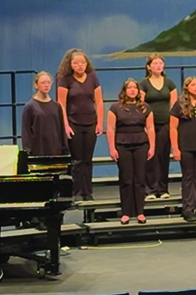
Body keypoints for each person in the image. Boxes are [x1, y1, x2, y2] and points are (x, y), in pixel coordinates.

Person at [56, 49, 103, 202]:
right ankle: (77, 192)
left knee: (87, 160)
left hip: (90, 123)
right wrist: (66, 125)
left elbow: (99, 102)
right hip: (73, 123)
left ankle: (88, 192)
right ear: (70, 65)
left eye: (82, 62)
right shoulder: (65, 79)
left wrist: (100, 123)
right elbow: (61, 104)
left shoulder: (92, 78)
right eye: (76, 63)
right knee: (77, 161)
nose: (80, 65)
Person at [107, 79, 155, 225]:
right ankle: (126, 212)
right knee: (126, 179)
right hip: (122, 144)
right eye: (129, 88)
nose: (133, 90)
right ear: (124, 91)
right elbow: (110, 129)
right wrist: (112, 148)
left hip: (141, 144)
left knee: (140, 179)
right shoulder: (115, 108)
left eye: (135, 88)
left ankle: (140, 212)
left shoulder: (145, 107)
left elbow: (151, 128)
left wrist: (152, 146)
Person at [169, 77, 196, 222]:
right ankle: (188, 208)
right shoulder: (179, 104)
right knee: (188, 177)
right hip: (185, 147)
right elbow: (173, 128)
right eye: (193, 85)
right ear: (187, 87)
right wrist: (175, 148)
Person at [140, 53, 177, 200]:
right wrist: (143, 123)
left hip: (165, 124)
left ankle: (163, 189)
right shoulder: (144, 83)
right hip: (149, 125)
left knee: (163, 156)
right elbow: (140, 105)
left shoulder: (169, 83)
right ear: (149, 67)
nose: (158, 66)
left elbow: (174, 106)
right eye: (155, 64)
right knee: (150, 156)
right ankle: (150, 189)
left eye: (160, 63)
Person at [21, 72, 68, 157]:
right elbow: (26, 131)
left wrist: (64, 148)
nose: (46, 85)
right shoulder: (30, 106)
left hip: (55, 149)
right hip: (38, 149)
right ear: (36, 85)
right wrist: (28, 151)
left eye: (48, 82)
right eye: (43, 83)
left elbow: (61, 129)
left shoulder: (56, 106)